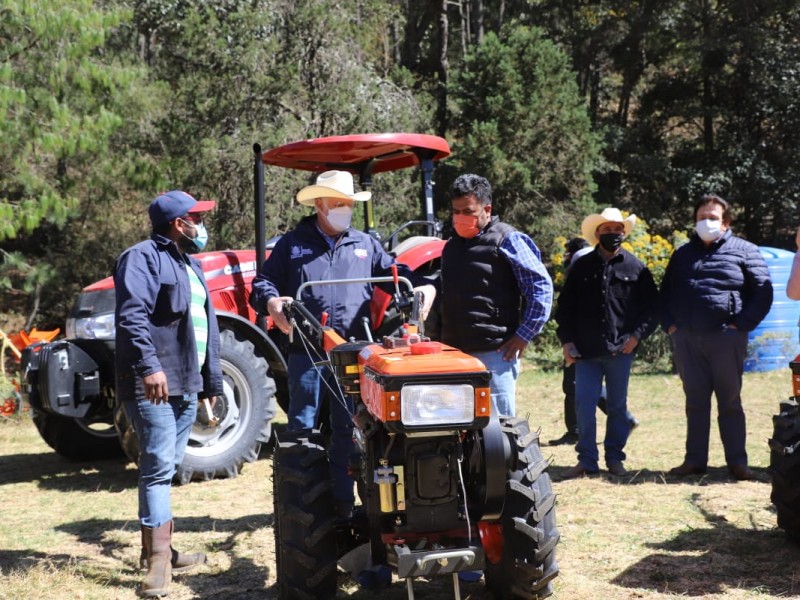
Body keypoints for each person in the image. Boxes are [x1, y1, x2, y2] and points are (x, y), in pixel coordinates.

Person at [249, 170, 434, 518]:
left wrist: (422, 287)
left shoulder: (365, 245)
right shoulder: (293, 244)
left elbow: (398, 275)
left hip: (354, 353)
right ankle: (299, 506)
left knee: (351, 429)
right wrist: (272, 302)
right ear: (319, 205)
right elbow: (263, 283)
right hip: (308, 352)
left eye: (348, 204)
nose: (343, 210)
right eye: (337, 204)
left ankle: (345, 505)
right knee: (302, 428)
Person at [115, 190, 222, 597]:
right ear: (179, 224)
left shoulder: (188, 264)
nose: (201, 225)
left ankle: (161, 550)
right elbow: (132, 316)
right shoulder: (140, 257)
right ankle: (159, 563)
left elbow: (201, 330)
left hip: (183, 381)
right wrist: (150, 368)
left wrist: (206, 386)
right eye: (196, 217)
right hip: (153, 382)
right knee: (158, 467)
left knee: (170, 465)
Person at [661, 194, 772, 481]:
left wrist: (741, 325)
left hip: (726, 338)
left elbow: (763, 292)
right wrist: (672, 326)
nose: (706, 222)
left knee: (730, 401)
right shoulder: (683, 254)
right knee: (695, 401)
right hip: (688, 340)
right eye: (701, 218)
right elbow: (665, 293)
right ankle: (695, 461)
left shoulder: (745, 251)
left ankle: (737, 463)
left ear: (725, 222)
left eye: (712, 217)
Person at [555, 208, 658, 478]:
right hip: (585, 352)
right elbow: (564, 308)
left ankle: (615, 458)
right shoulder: (581, 266)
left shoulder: (636, 267)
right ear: (597, 232)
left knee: (617, 408)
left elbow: (652, 310)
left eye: (617, 230)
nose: (612, 234)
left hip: (620, 351)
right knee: (584, 406)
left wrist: (636, 337)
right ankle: (587, 460)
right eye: (607, 229)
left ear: (623, 233)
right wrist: (567, 342)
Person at [439, 173, 553, 418]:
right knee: (457, 424)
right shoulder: (451, 246)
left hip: (495, 354)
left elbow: (540, 287)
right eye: (455, 211)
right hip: (455, 353)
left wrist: (524, 335)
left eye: (467, 211)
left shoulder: (508, 240)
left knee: (499, 430)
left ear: (486, 209)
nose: (460, 218)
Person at [549, 237, 640, 446]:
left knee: (578, 388)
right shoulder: (586, 261)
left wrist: (568, 340)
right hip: (594, 341)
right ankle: (591, 441)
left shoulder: (581, 261)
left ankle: (581, 434)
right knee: (588, 391)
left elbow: (567, 306)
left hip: (589, 343)